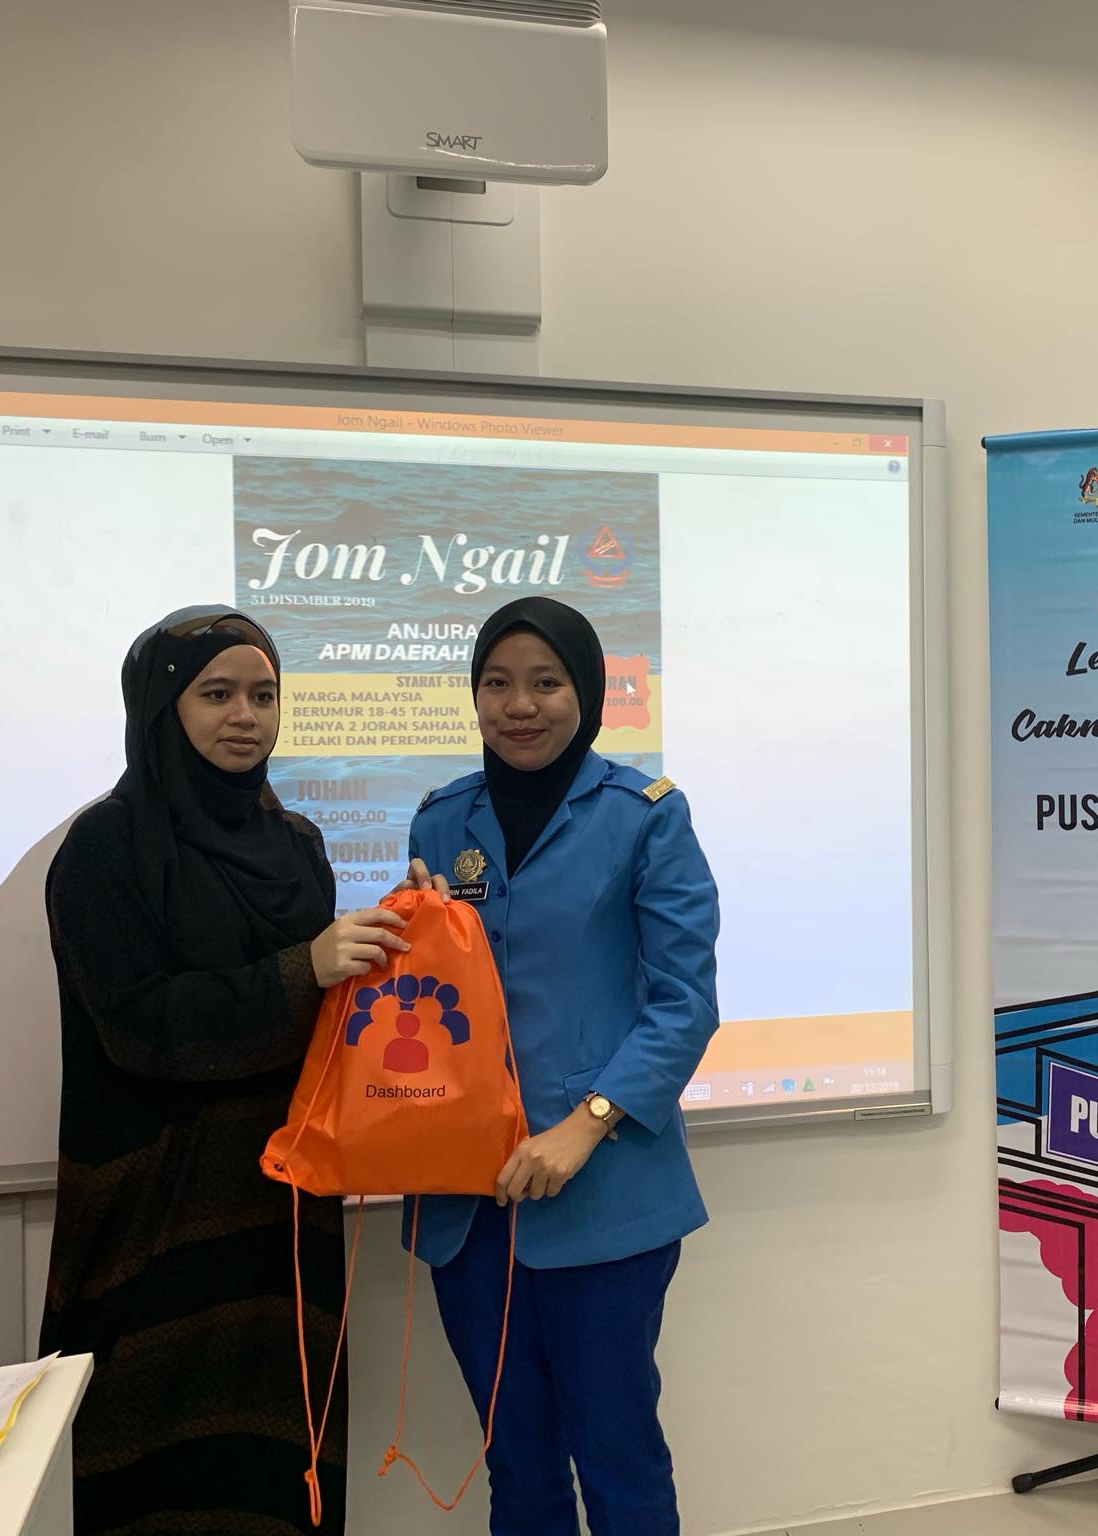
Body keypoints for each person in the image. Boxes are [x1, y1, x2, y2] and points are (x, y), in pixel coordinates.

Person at [40, 606, 412, 1536]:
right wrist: (302, 969)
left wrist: (408, 936)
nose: (245, 716)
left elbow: (323, 1014)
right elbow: (135, 1026)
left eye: (263, 695)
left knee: (278, 1466)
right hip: (157, 1210)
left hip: (281, 1203)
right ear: (162, 706)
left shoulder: (299, 847)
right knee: (153, 1473)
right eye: (215, 694)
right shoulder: (105, 848)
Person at [403, 595, 720, 1536]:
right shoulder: (439, 822)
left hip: (604, 1195)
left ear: (585, 692)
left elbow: (685, 1002)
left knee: (619, 1457)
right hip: (467, 1206)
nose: (520, 705)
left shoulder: (645, 817)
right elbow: (426, 999)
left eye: (546, 682)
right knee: (518, 1464)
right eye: (497, 683)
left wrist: (586, 1126)